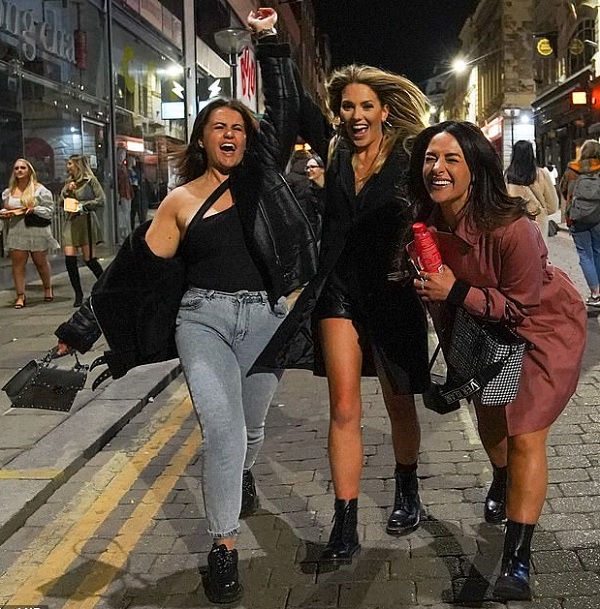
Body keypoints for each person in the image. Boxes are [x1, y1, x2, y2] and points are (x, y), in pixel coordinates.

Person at [54, 8, 317, 604]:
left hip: (267, 320)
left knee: (251, 431)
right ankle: (223, 546)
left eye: (239, 128)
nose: (230, 134)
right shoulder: (178, 202)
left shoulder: (262, 179)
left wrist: (270, 41)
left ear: (249, 139)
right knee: (223, 431)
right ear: (202, 138)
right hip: (204, 322)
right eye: (219, 126)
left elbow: (283, 106)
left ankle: (240, 475)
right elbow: (132, 273)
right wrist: (83, 325)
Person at [254, 64, 432, 563]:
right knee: (345, 408)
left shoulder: (410, 154)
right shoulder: (333, 151)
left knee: (399, 402)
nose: (356, 115)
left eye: (366, 106)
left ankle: (407, 489)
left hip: (393, 291)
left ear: (384, 110)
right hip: (338, 292)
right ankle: (345, 521)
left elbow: (447, 193)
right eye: (348, 106)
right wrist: (271, 41)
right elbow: (293, 97)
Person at [407, 120, 587, 601]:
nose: (437, 168)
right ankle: (504, 477)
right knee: (490, 416)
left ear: (476, 169)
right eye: (430, 158)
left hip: (541, 330)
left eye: (451, 159)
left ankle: (517, 560)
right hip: (481, 331)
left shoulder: (511, 227)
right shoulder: (425, 224)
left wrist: (455, 291)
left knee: (525, 434)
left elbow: (523, 308)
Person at [1, 158, 58, 308]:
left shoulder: (39, 189)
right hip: (17, 229)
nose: (19, 170)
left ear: (29, 171)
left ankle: (47, 288)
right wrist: (5, 213)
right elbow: (7, 208)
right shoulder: (9, 191)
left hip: (36, 228)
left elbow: (49, 209)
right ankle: (20, 296)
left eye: (22, 168)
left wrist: (34, 209)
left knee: (40, 261)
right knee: (18, 264)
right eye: (16, 168)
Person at [59, 154, 105, 307]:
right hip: (71, 221)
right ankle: (78, 293)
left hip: (86, 221)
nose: (68, 167)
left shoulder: (90, 180)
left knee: (89, 259)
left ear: (78, 165)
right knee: (69, 258)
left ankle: (105, 285)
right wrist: (67, 191)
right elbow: (61, 201)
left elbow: (101, 200)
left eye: (70, 164)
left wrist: (83, 205)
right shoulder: (68, 182)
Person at [559, 139, 600, 307]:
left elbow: (563, 189)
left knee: (585, 255)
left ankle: (595, 293)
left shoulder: (572, 169)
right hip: (598, 217)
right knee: (598, 252)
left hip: (578, 217)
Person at [505, 140, 558, 246]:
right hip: (538, 226)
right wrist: (540, 211)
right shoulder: (542, 174)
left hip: (513, 227)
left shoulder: (507, 177)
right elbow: (552, 206)